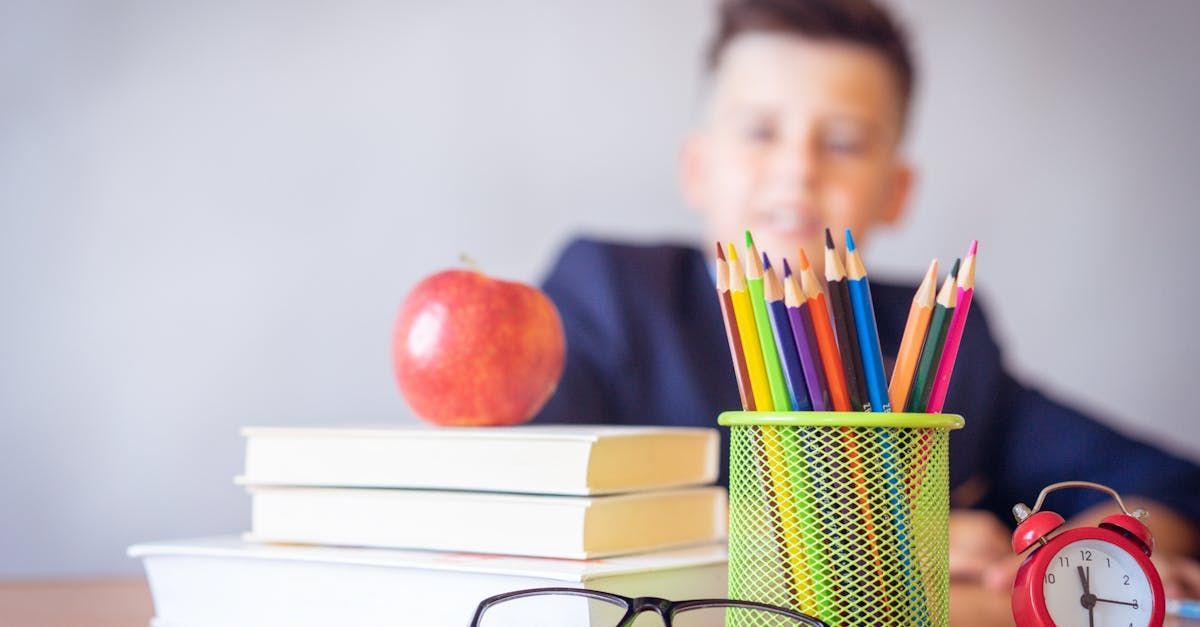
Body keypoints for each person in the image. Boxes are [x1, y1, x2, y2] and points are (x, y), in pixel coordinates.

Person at [533, 0, 1200, 598]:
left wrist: (1099, 551)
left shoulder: (942, 337)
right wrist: (882, 548)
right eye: (760, 131)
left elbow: (1168, 483)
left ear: (896, 192)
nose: (799, 166)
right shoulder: (610, 292)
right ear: (696, 169)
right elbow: (529, 497)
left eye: (845, 142)